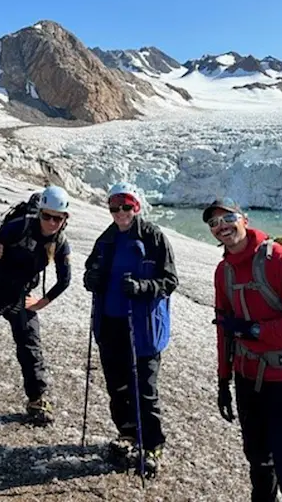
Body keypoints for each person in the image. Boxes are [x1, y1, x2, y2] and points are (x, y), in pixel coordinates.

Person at [203, 199, 282, 502]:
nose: (222, 227)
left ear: (244, 218)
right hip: (246, 378)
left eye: (227, 218)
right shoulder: (224, 271)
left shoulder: (279, 260)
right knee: (258, 462)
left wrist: (257, 331)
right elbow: (224, 329)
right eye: (214, 223)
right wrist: (222, 380)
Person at [0, 186, 72, 452]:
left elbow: (65, 279)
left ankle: (36, 400)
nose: (52, 223)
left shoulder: (60, 241)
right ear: (40, 213)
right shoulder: (18, 227)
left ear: (65, 219)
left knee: (30, 348)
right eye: (48, 216)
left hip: (21, 296)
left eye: (58, 218)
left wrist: (42, 302)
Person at [83, 182, 178, 478]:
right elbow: (90, 270)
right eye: (115, 207)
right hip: (110, 324)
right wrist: (92, 279)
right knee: (117, 385)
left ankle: (152, 445)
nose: (120, 212)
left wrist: (142, 288)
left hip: (142, 327)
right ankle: (127, 433)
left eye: (126, 206)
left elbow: (170, 280)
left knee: (145, 389)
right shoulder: (106, 239)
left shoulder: (153, 237)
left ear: (136, 207)